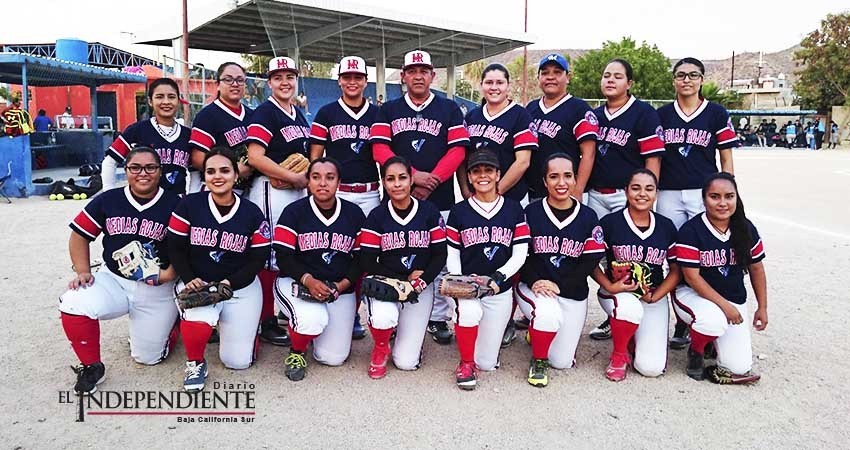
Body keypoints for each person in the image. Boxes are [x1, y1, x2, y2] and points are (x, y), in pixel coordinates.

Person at [59, 146, 181, 394]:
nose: (142, 173)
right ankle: (91, 366)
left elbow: (189, 247)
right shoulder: (109, 199)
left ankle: (172, 324)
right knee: (73, 301)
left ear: (160, 171)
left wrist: (171, 274)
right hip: (114, 279)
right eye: (135, 167)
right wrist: (82, 270)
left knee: (148, 358)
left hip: (158, 286)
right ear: (126, 171)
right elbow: (79, 236)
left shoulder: (177, 204)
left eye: (150, 167)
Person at [371, 50, 470, 346]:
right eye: (412, 70)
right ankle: (392, 308)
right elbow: (379, 150)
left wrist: (432, 180)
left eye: (423, 70)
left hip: (439, 196)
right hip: (398, 194)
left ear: (432, 75)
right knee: (394, 249)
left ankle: (438, 317)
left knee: (438, 258)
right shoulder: (387, 109)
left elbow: (458, 150)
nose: (417, 75)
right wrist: (412, 177)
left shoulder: (449, 108)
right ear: (402, 75)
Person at [167, 148, 269, 391]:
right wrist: (190, 278)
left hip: (239, 287)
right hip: (199, 281)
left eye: (225, 170)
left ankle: (245, 332)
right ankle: (195, 362)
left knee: (237, 362)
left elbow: (258, 258)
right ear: (204, 177)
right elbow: (175, 248)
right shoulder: (189, 205)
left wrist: (229, 283)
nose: (217, 176)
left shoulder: (252, 212)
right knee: (198, 313)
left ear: (236, 175)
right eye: (210, 171)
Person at [655, 57, 738, 349]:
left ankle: (700, 319)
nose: (686, 80)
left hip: (705, 192)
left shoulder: (715, 112)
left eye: (692, 75)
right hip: (668, 191)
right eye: (680, 75)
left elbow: (726, 157)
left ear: (702, 79)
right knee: (674, 255)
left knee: (706, 253)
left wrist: (729, 191)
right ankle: (683, 314)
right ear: (674, 80)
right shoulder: (663, 114)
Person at [586, 59, 666, 341]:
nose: (610, 80)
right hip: (596, 193)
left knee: (626, 255)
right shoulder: (593, 115)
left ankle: (626, 312)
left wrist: (648, 199)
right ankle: (614, 312)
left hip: (626, 195)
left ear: (629, 83)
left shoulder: (643, 114)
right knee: (601, 255)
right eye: (606, 75)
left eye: (617, 76)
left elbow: (652, 159)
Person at [459, 63, 537, 347]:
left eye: (499, 82)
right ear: (481, 86)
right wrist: (469, 192)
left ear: (508, 86)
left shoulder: (519, 115)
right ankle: (473, 311)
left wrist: (495, 193)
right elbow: (463, 158)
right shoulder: (473, 115)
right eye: (489, 82)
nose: (494, 87)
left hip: (511, 198)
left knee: (510, 258)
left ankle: (505, 319)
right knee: (477, 253)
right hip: (477, 196)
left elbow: (523, 161)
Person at [515, 153, 605, 387]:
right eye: (554, 176)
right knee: (546, 314)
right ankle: (538, 359)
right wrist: (534, 281)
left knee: (563, 361)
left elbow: (590, 260)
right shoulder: (531, 213)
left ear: (576, 179)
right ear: (544, 181)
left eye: (567, 176)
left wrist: (561, 284)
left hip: (572, 291)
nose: (561, 182)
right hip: (535, 287)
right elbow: (521, 256)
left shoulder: (588, 216)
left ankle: (537, 333)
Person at [273, 158, 366, 381]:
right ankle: (297, 351)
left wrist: (341, 285)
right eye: (316, 177)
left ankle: (312, 332)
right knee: (311, 318)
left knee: (333, 358)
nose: (323, 183)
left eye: (330, 177)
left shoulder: (354, 214)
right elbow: (283, 258)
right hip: (297, 282)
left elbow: (362, 260)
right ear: (308, 181)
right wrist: (309, 280)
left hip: (337, 288)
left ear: (339, 182)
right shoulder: (293, 211)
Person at [309, 56, 381, 340]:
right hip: (338, 192)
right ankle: (330, 306)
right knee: (337, 251)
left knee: (366, 254)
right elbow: (315, 157)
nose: (352, 82)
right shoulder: (327, 113)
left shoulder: (377, 114)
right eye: (347, 77)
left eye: (358, 77)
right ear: (339, 80)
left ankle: (354, 313)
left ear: (365, 81)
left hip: (370, 192)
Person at [445, 149, 529, 390]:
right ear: (469, 177)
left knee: (488, 362)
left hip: (498, 289)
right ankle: (466, 362)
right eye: (477, 171)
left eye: (488, 170)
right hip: (468, 287)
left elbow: (520, 254)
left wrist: (497, 278)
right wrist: (462, 283)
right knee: (469, 313)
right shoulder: (459, 211)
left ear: (497, 174)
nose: (483, 176)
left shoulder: (514, 210)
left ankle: (473, 350)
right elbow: (453, 254)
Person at [672, 172, 767, 384]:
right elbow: (693, 278)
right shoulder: (691, 230)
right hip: (692, 294)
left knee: (739, 367)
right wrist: (726, 307)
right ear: (704, 199)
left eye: (729, 196)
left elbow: (757, 269)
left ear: (736, 198)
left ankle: (712, 343)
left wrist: (762, 307)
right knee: (712, 322)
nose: (722, 203)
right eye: (715, 197)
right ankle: (697, 349)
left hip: (731, 297)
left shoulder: (745, 227)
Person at [245, 56, 312, 350]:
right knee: (269, 254)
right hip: (270, 191)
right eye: (278, 77)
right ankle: (266, 321)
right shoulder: (265, 113)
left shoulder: (297, 113)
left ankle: (284, 309)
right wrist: (292, 177)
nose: (285, 82)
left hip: (293, 189)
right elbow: (255, 157)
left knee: (289, 248)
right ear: (269, 83)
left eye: (289, 76)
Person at [359, 156, 447, 378]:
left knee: (406, 362)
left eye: (402, 178)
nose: (396, 184)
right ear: (384, 183)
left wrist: (421, 281)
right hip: (388, 282)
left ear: (411, 180)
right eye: (390, 179)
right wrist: (403, 278)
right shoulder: (377, 215)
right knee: (382, 318)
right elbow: (367, 261)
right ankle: (380, 346)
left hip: (419, 286)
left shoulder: (429, 211)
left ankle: (405, 337)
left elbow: (439, 254)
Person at [591, 169, 680, 381]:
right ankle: (619, 354)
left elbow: (677, 271)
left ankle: (632, 339)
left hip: (652, 296)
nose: (642, 194)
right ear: (626, 191)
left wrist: (657, 295)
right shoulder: (610, 222)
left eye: (649, 189)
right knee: (629, 308)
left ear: (657, 193)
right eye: (636, 188)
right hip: (618, 292)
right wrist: (610, 286)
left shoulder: (666, 226)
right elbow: (590, 263)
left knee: (650, 368)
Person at [525, 53, 599, 202]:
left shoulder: (579, 109)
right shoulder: (531, 108)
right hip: (536, 191)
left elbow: (589, 154)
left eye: (557, 72)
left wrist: (578, 190)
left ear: (568, 77)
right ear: (539, 78)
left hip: (566, 192)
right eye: (545, 73)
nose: (550, 77)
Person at [103, 78, 191, 194]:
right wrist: (108, 195)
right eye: (159, 97)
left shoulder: (188, 135)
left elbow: (194, 172)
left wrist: (192, 199)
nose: (166, 102)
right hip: (144, 202)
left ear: (178, 100)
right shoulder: (136, 130)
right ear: (150, 101)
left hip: (177, 204)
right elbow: (109, 162)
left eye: (171, 97)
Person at [188, 62, 255, 197]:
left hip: (247, 189)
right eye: (228, 79)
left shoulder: (252, 115)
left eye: (240, 80)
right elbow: (197, 158)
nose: (235, 84)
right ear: (218, 84)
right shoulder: (207, 115)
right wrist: (231, 171)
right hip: (215, 190)